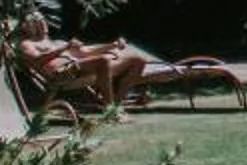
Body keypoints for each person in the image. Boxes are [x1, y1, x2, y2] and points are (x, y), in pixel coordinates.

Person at [13, 13, 149, 112]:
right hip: (63, 73)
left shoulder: (55, 42)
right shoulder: (27, 44)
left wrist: (112, 45)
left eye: (43, 20)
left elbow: (86, 51)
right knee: (103, 60)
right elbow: (37, 59)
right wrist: (64, 48)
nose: (43, 24)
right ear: (28, 27)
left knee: (137, 60)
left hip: (80, 66)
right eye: (37, 22)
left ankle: (116, 104)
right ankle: (109, 108)